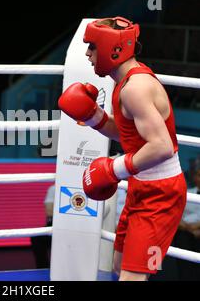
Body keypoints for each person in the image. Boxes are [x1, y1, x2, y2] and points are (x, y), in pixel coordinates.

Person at [58, 17, 187, 281]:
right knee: (119, 264)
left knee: (132, 277)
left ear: (111, 48)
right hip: (141, 187)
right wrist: (94, 116)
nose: (87, 54)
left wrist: (115, 168)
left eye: (92, 46)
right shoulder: (124, 83)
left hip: (160, 195)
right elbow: (128, 133)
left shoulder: (136, 88)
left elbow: (161, 146)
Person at [30, 184, 54, 268]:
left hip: (74, 226)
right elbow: (49, 211)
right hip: (55, 225)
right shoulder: (54, 188)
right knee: (36, 237)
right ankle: (43, 269)